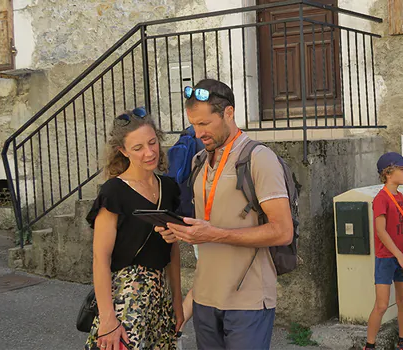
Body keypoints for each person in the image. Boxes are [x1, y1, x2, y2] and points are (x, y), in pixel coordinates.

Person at [156, 78, 293, 350]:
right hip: (204, 301)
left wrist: (215, 234)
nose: (197, 133)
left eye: (205, 124)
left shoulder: (259, 158)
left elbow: (283, 231)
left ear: (228, 113)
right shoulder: (199, 161)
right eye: (193, 124)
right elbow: (204, 229)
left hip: (248, 303)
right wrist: (179, 232)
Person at [85, 107, 183, 350]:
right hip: (125, 299)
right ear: (123, 151)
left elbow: (172, 252)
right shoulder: (114, 192)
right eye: (138, 148)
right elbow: (100, 258)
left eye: (152, 143)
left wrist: (177, 303)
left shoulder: (169, 188)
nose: (149, 153)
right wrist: (108, 316)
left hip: (159, 300)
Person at [364, 152, 403, 350]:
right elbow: (380, 232)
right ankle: (369, 345)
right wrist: (399, 256)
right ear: (388, 173)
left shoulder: (399, 195)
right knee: (381, 305)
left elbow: (399, 224)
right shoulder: (381, 198)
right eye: (402, 169)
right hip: (387, 258)